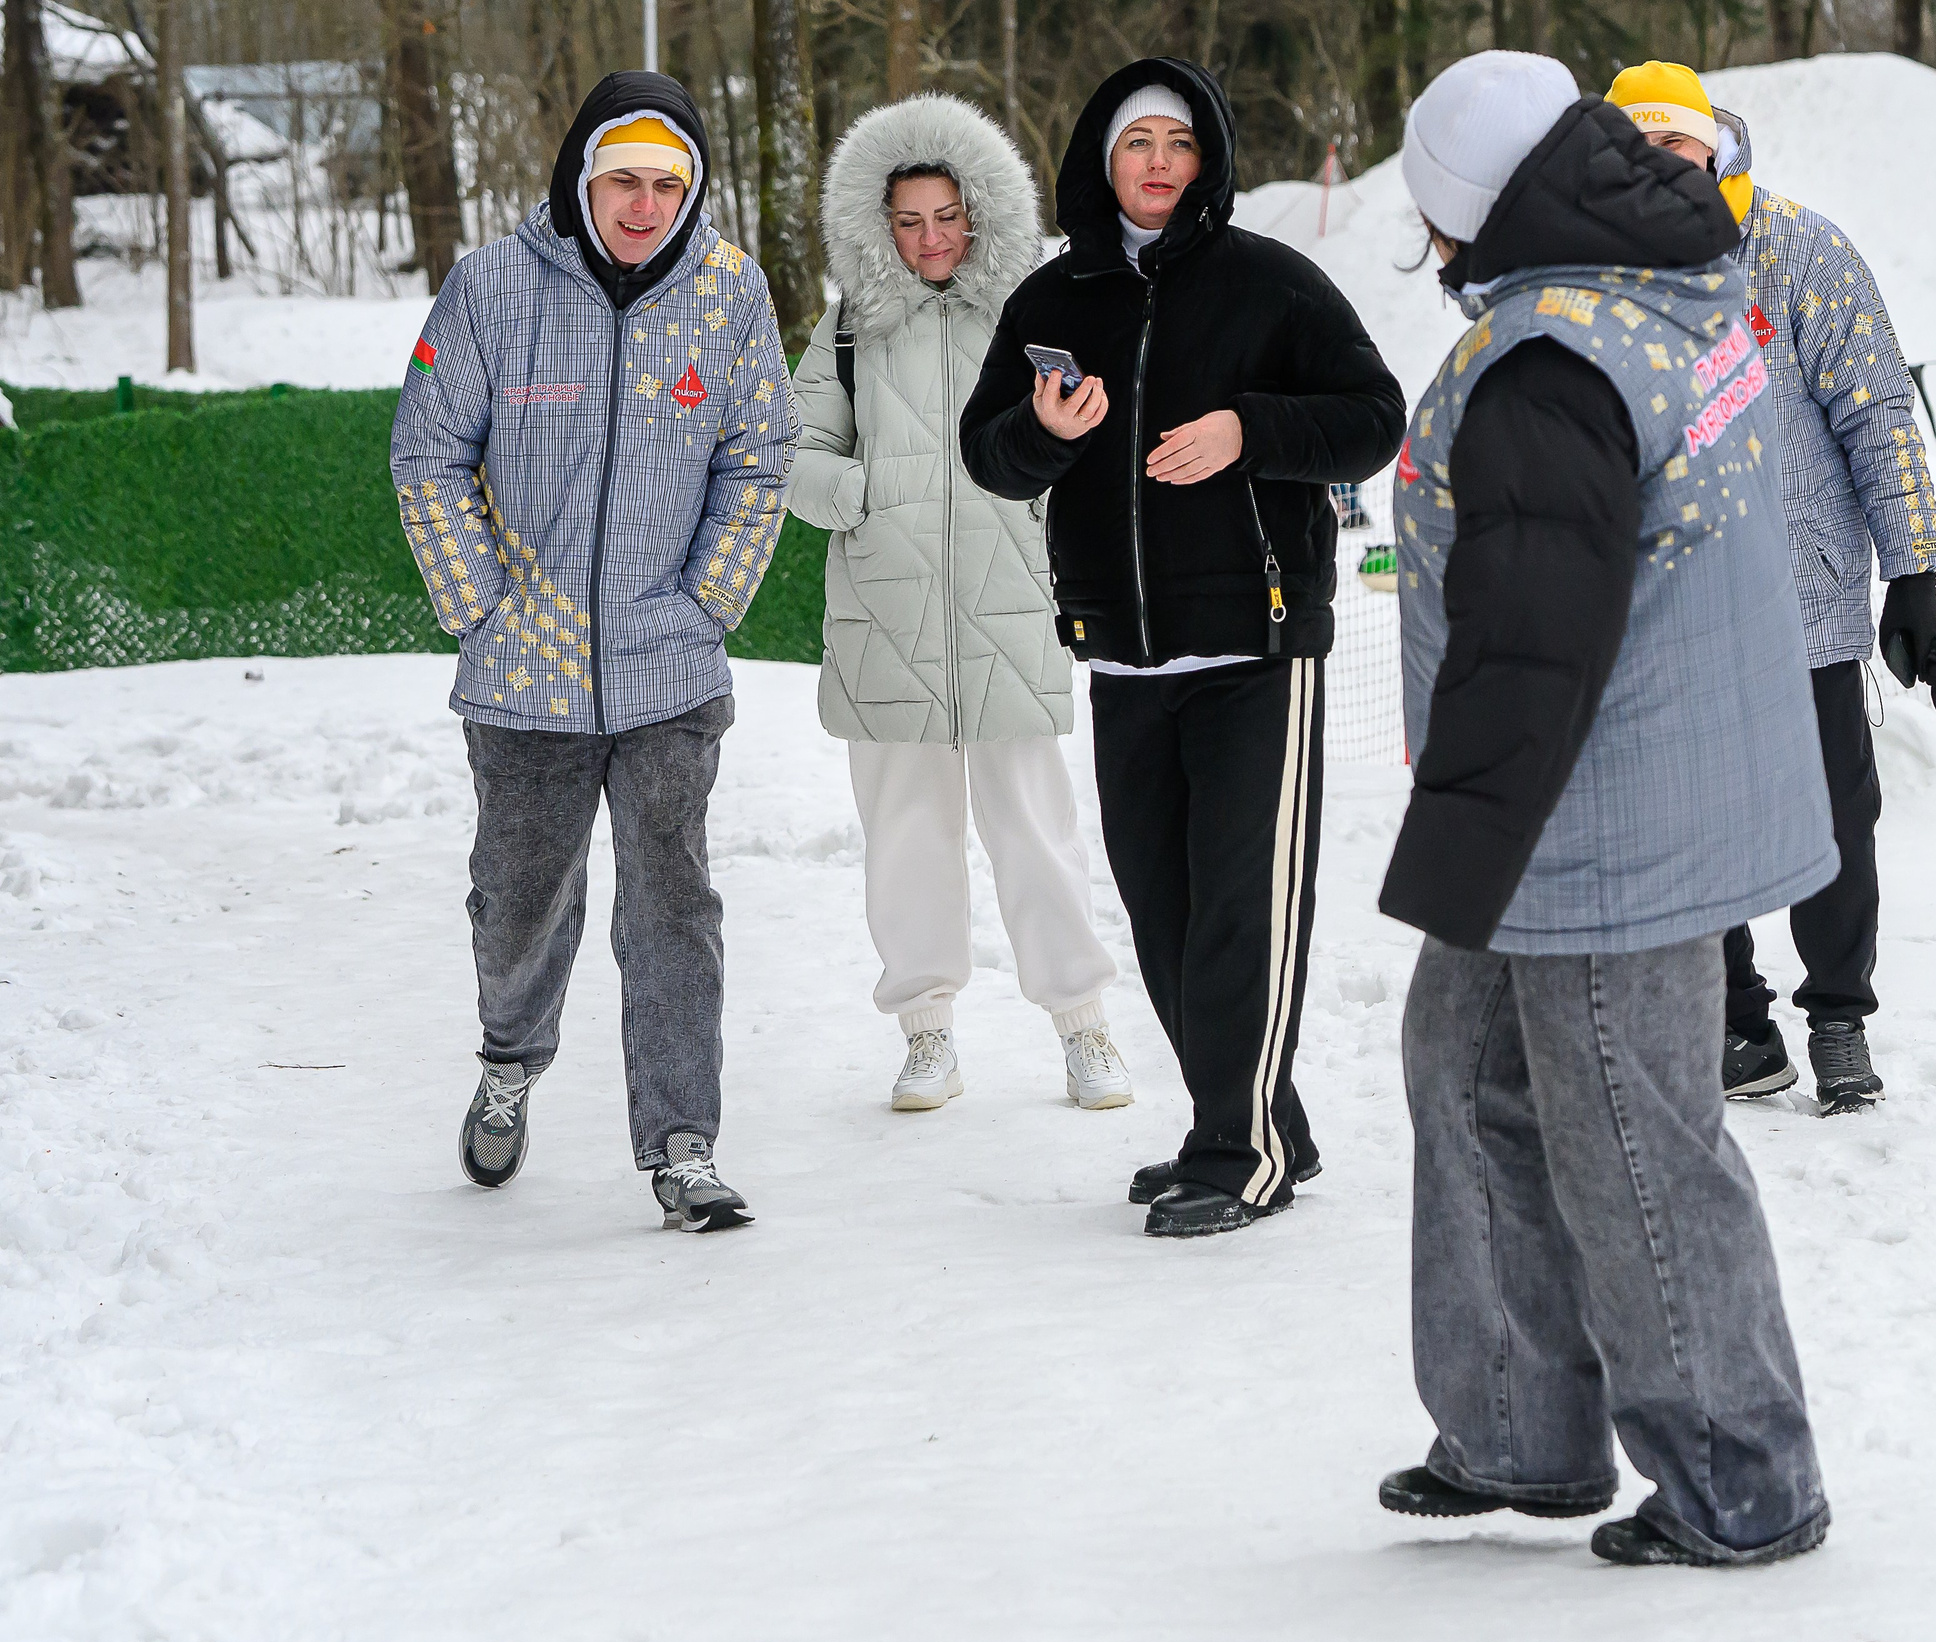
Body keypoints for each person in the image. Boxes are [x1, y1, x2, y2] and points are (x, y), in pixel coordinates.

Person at [1374, 52, 1833, 1568]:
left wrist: (1457, 840)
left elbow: (1532, 642)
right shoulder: (1658, 272)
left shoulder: (1550, 361)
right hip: (1593, 786)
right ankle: (1520, 1423)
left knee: (1635, 1134)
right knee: (1463, 1065)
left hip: (1598, 814)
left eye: (1431, 221)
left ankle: (1737, 1473)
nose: (1433, 249)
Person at [960, 60, 1404, 1238]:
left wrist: (1248, 430)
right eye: (1136, 143)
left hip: (1255, 649)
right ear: (1100, 162)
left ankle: (1239, 1148)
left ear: (1205, 160)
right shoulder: (1053, 298)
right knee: (1163, 918)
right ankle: (1261, 1119)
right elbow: (985, 452)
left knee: (1240, 915)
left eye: (1178, 143)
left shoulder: (1273, 283)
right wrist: (1042, 430)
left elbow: (1374, 419)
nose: (1158, 163)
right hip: (1121, 655)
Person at [390, 71, 796, 1232]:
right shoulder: (491, 287)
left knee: (672, 906)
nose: (644, 204)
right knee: (519, 902)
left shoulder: (729, 291)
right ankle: (508, 1061)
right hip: (524, 674)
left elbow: (760, 455)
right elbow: (427, 453)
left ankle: (682, 1145)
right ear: (581, 177)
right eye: (624, 178)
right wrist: (482, 609)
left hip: (670, 669)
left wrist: (706, 602)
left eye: (668, 183)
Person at [1607, 60, 1936, 1115]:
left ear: (1711, 147)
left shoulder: (1797, 250)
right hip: (1666, 603)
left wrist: (1914, 575)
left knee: (1829, 816)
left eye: (1673, 145)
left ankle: (1838, 1019)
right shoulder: (1595, 275)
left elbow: (1878, 415)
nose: (1656, 166)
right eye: (1633, 150)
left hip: (1799, 599)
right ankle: (1737, 1023)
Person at [788, 94, 1133, 1115]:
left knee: (1037, 832)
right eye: (909, 220)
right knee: (905, 838)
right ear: (878, 225)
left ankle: (1083, 1025)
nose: (931, 237)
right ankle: (925, 1031)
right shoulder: (848, 328)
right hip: (886, 622)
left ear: (980, 212)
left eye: (947, 215)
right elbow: (792, 456)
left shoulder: (1036, 317)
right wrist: (863, 495)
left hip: (1011, 610)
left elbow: (1087, 443)